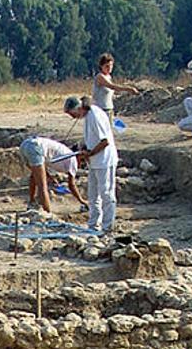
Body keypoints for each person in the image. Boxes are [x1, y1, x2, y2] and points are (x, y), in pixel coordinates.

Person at [64, 96, 118, 232]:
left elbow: (104, 141)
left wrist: (90, 153)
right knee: (93, 195)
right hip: (95, 162)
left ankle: (108, 227)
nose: (72, 117)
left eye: (72, 114)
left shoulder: (95, 116)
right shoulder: (88, 116)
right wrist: (85, 149)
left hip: (105, 160)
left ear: (78, 108)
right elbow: (92, 139)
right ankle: (94, 225)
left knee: (106, 193)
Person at [32, 136, 89, 208]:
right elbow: (71, 185)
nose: (81, 164)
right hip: (36, 147)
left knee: (34, 176)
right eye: (83, 161)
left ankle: (32, 201)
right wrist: (81, 200)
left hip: (30, 143)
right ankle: (47, 212)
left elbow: (39, 169)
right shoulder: (73, 160)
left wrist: (49, 177)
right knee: (42, 185)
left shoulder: (64, 153)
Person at [92, 53, 139, 122]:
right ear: (101, 66)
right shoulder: (100, 77)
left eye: (111, 65)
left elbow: (113, 92)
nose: (109, 68)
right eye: (107, 66)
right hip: (100, 110)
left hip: (109, 109)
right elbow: (112, 86)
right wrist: (129, 89)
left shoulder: (109, 77)